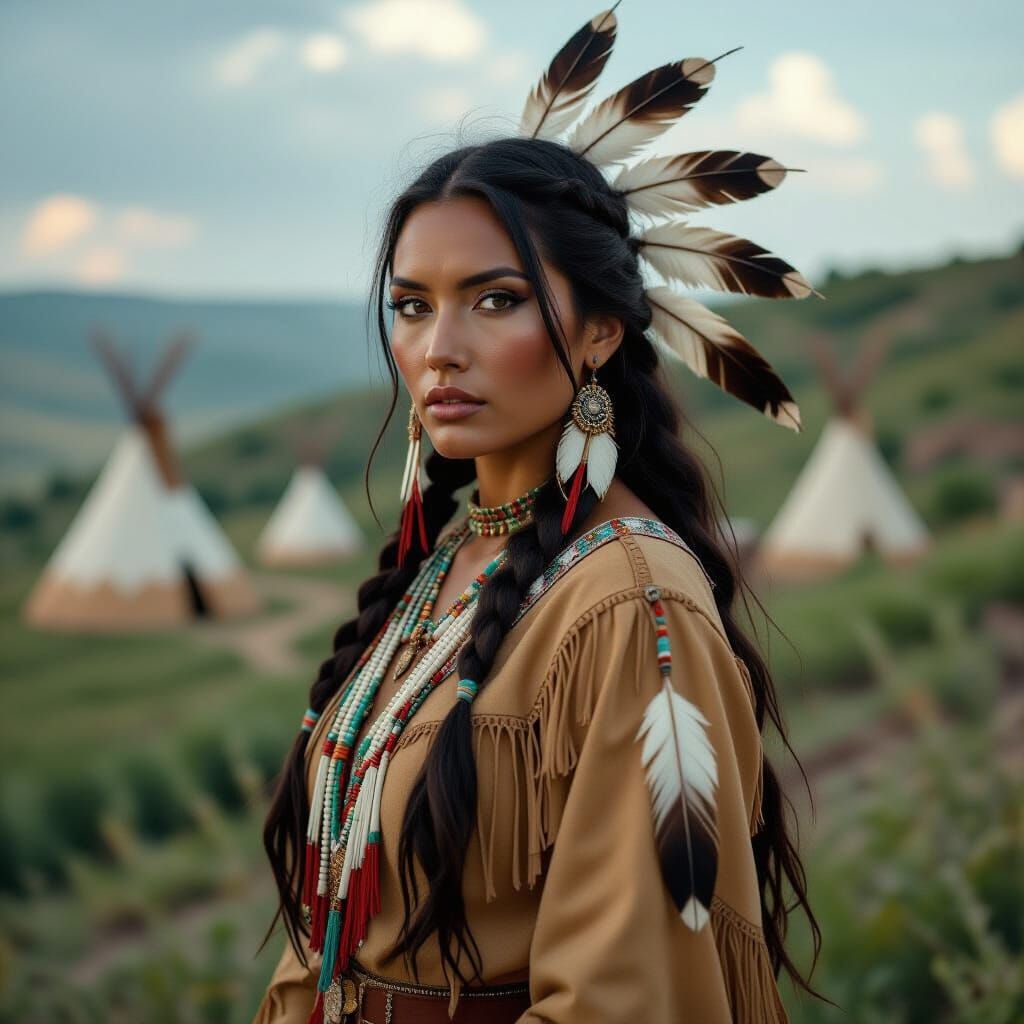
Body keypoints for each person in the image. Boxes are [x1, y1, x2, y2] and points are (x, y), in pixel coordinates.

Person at [254, 7, 828, 1022]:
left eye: (496, 299)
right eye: (412, 305)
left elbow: (627, 992)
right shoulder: (442, 568)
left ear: (599, 331)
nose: (439, 348)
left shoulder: (631, 603)